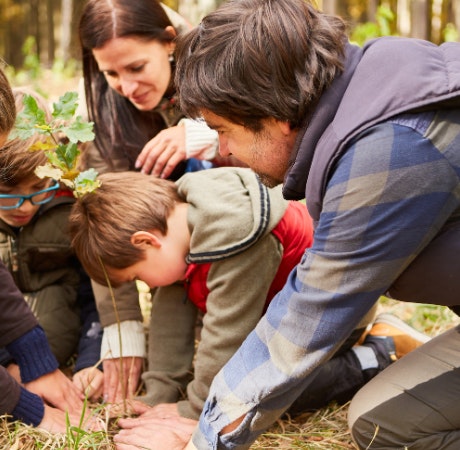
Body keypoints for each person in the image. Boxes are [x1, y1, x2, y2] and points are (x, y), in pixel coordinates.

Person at [114, 0, 460, 448]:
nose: (222, 150)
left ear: (274, 116)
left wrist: (204, 436)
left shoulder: (391, 149)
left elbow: (307, 318)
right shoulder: (372, 90)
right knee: (382, 417)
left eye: (224, 130)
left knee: (391, 428)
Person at [68, 169, 428, 447]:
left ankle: (380, 351)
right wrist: (158, 391)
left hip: (329, 324)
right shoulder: (180, 225)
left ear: (146, 241)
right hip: (276, 320)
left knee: (266, 396)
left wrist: (195, 412)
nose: (145, 286)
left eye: (137, 276)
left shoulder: (235, 236)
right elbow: (170, 316)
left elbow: (229, 334)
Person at [77, 0, 235, 404]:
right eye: (111, 73)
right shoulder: (101, 113)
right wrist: (123, 326)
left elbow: (285, 153)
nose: (127, 88)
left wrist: (209, 136)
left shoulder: (226, 60)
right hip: (175, 255)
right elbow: (106, 219)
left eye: (136, 68)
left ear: (169, 42)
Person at [0, 67, 91, 433]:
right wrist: (21, 401)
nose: (22, 206)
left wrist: (38, 361)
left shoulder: (70, 207)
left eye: (36, 190)